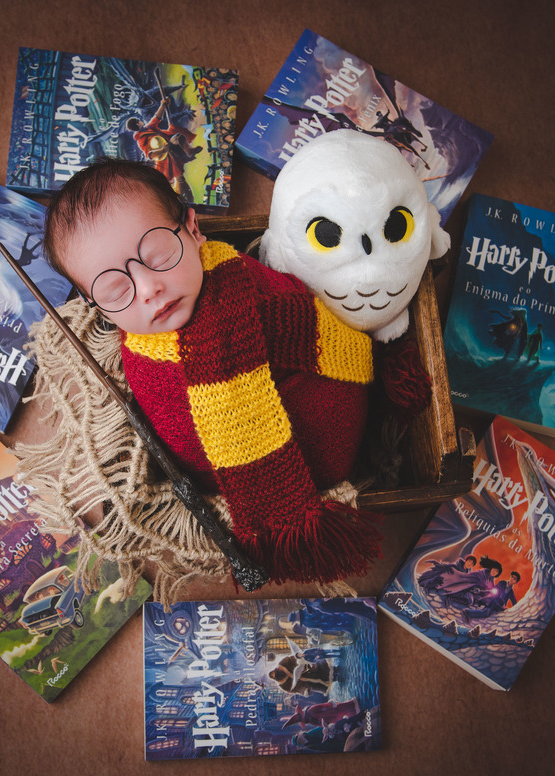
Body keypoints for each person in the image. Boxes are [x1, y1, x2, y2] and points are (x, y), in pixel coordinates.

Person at [42, 159, 381, 585]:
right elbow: (174, 435)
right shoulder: (140, 354)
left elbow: (324, 333)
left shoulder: (244, 282)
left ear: (193, 228)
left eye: (158, 255)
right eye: (115, 289)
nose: (148, 289)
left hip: (318, 438)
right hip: (226, 480)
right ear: (96, 306)